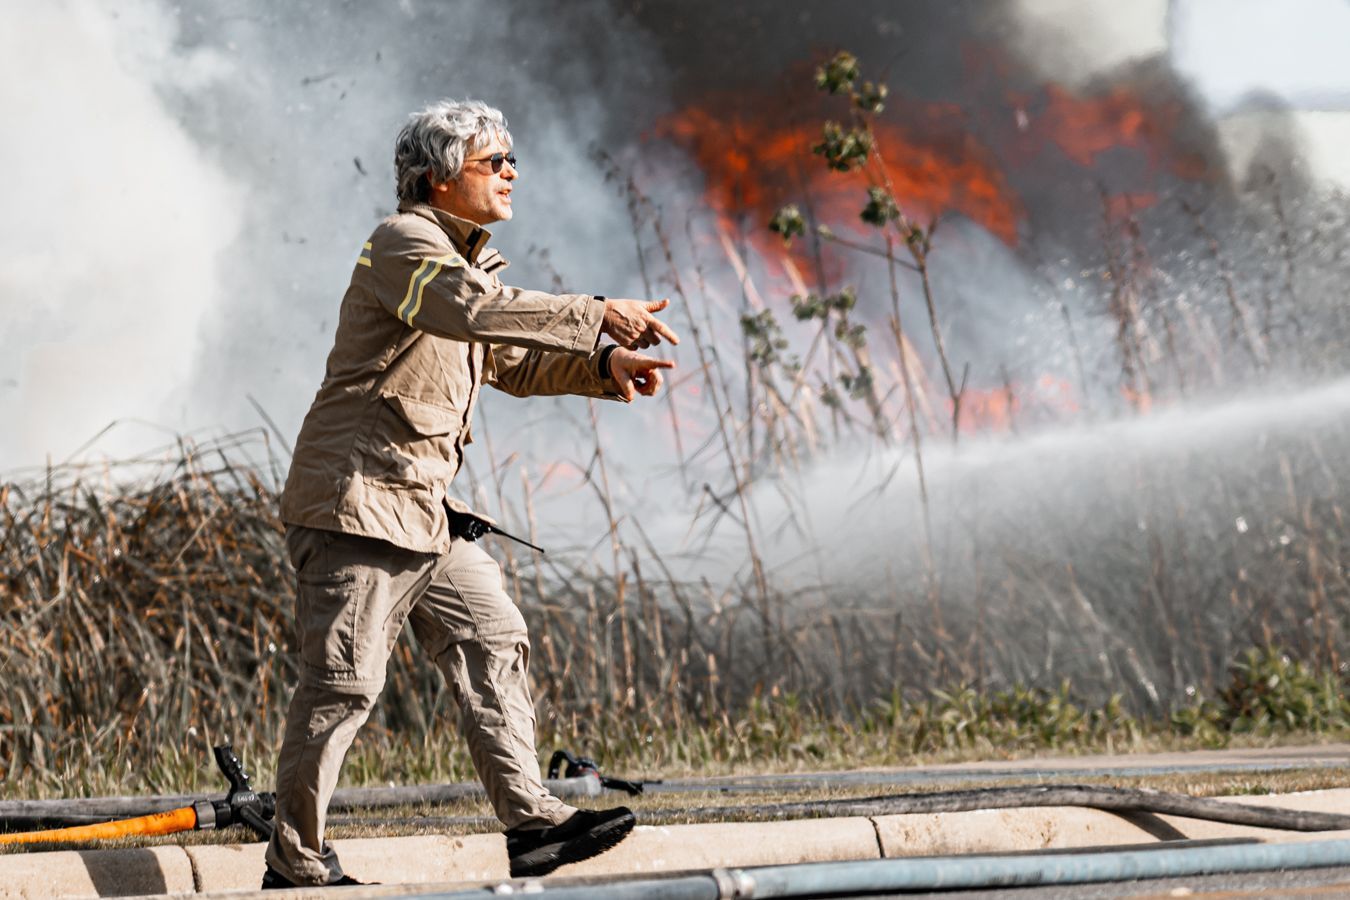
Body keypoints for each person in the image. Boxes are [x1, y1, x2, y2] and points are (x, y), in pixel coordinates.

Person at [262, 98, 677, 889]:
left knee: (492, 634)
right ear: (438, 179)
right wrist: (596, 315)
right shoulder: (404, 245)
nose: (513, 173)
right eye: (496, 162)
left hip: (422, 514)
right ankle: (297, 862)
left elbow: (505, 361)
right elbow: (467, 311)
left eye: (512, 159)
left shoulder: (464, 264)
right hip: (356, 507)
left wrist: (600, 368)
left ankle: (532, 826)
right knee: (344, 685)